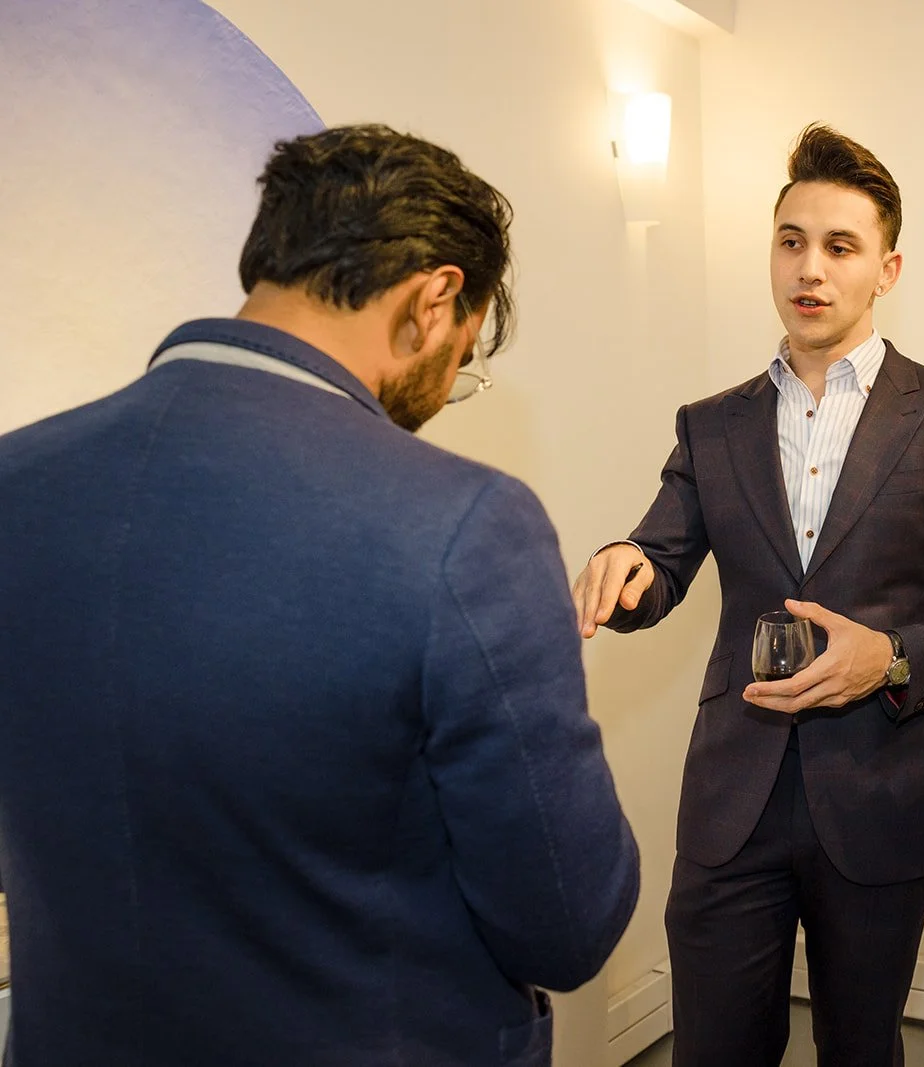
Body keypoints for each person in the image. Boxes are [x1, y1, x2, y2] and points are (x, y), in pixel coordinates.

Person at [0, 124, 638, 1067]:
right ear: (434, 300)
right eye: (463, 354)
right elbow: (567, 924)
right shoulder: (467, 525)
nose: (447, 383)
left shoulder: (18, 480)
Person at [573, 124, 924, 1066]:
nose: (809, 269)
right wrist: (624, 561)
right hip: (731, 794)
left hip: (881, 791)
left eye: (839, 246)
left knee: (861, 1050)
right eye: (791, 241)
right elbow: (659, 565)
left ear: (887, 267)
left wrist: (893, 657)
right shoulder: (712, 425)